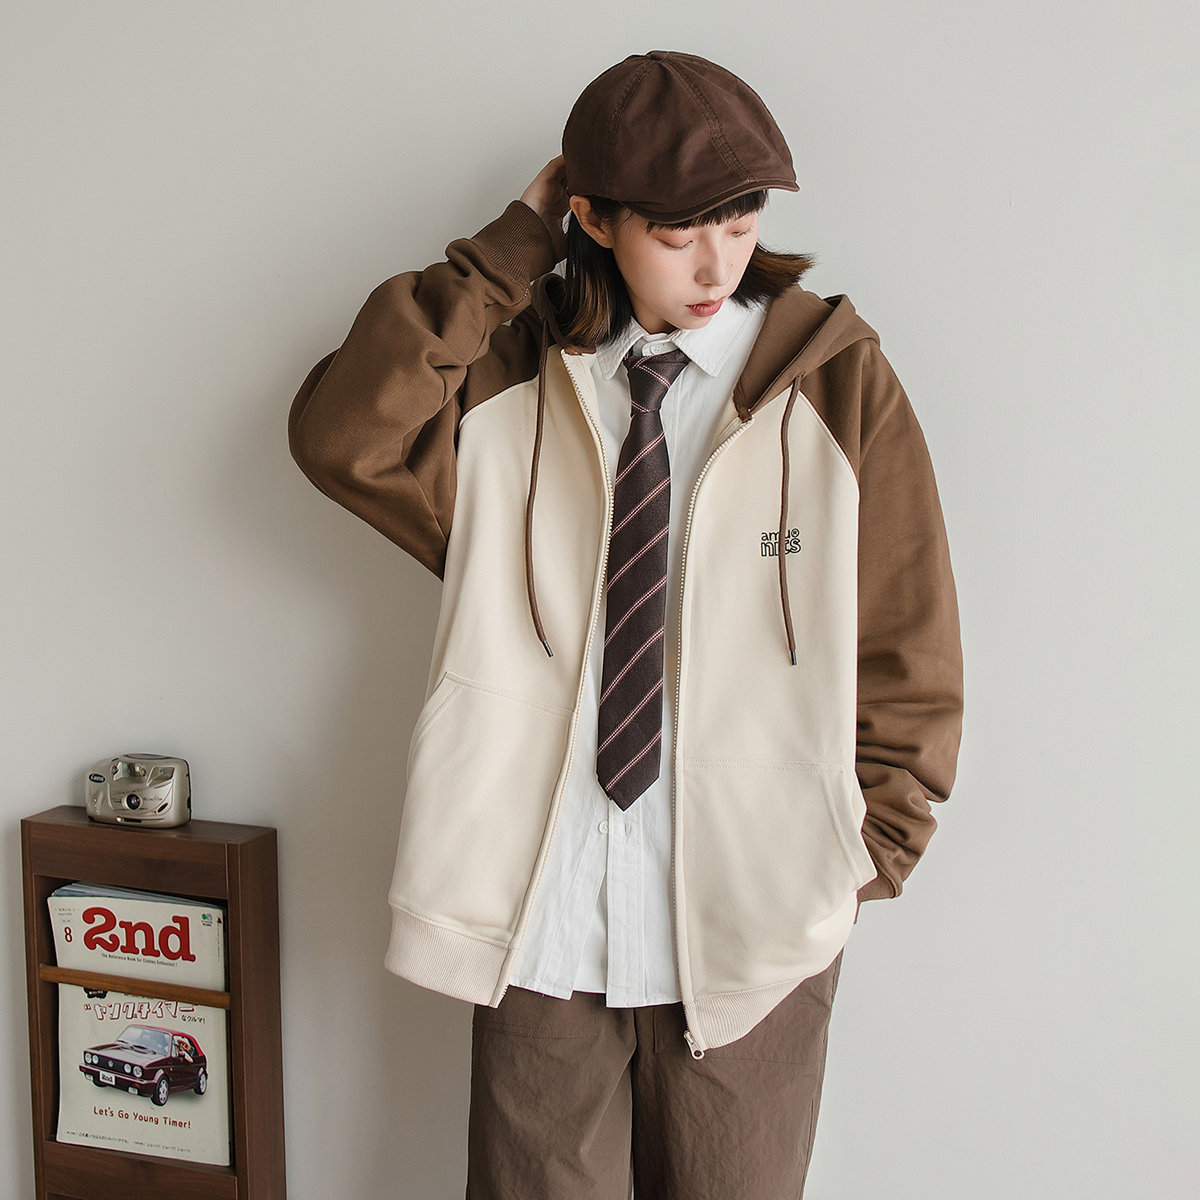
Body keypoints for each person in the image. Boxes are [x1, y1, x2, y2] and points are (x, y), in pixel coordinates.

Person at [289, 49, 963, 1200]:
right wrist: (507, 252)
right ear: (593, 217)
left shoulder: (835, 383)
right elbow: (343, 437)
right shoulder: (507, 380)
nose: (717, 264)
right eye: (678, 231)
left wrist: (856, 853)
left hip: (752, 925)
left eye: (741, 223)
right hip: (541, 912)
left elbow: (908, 636)